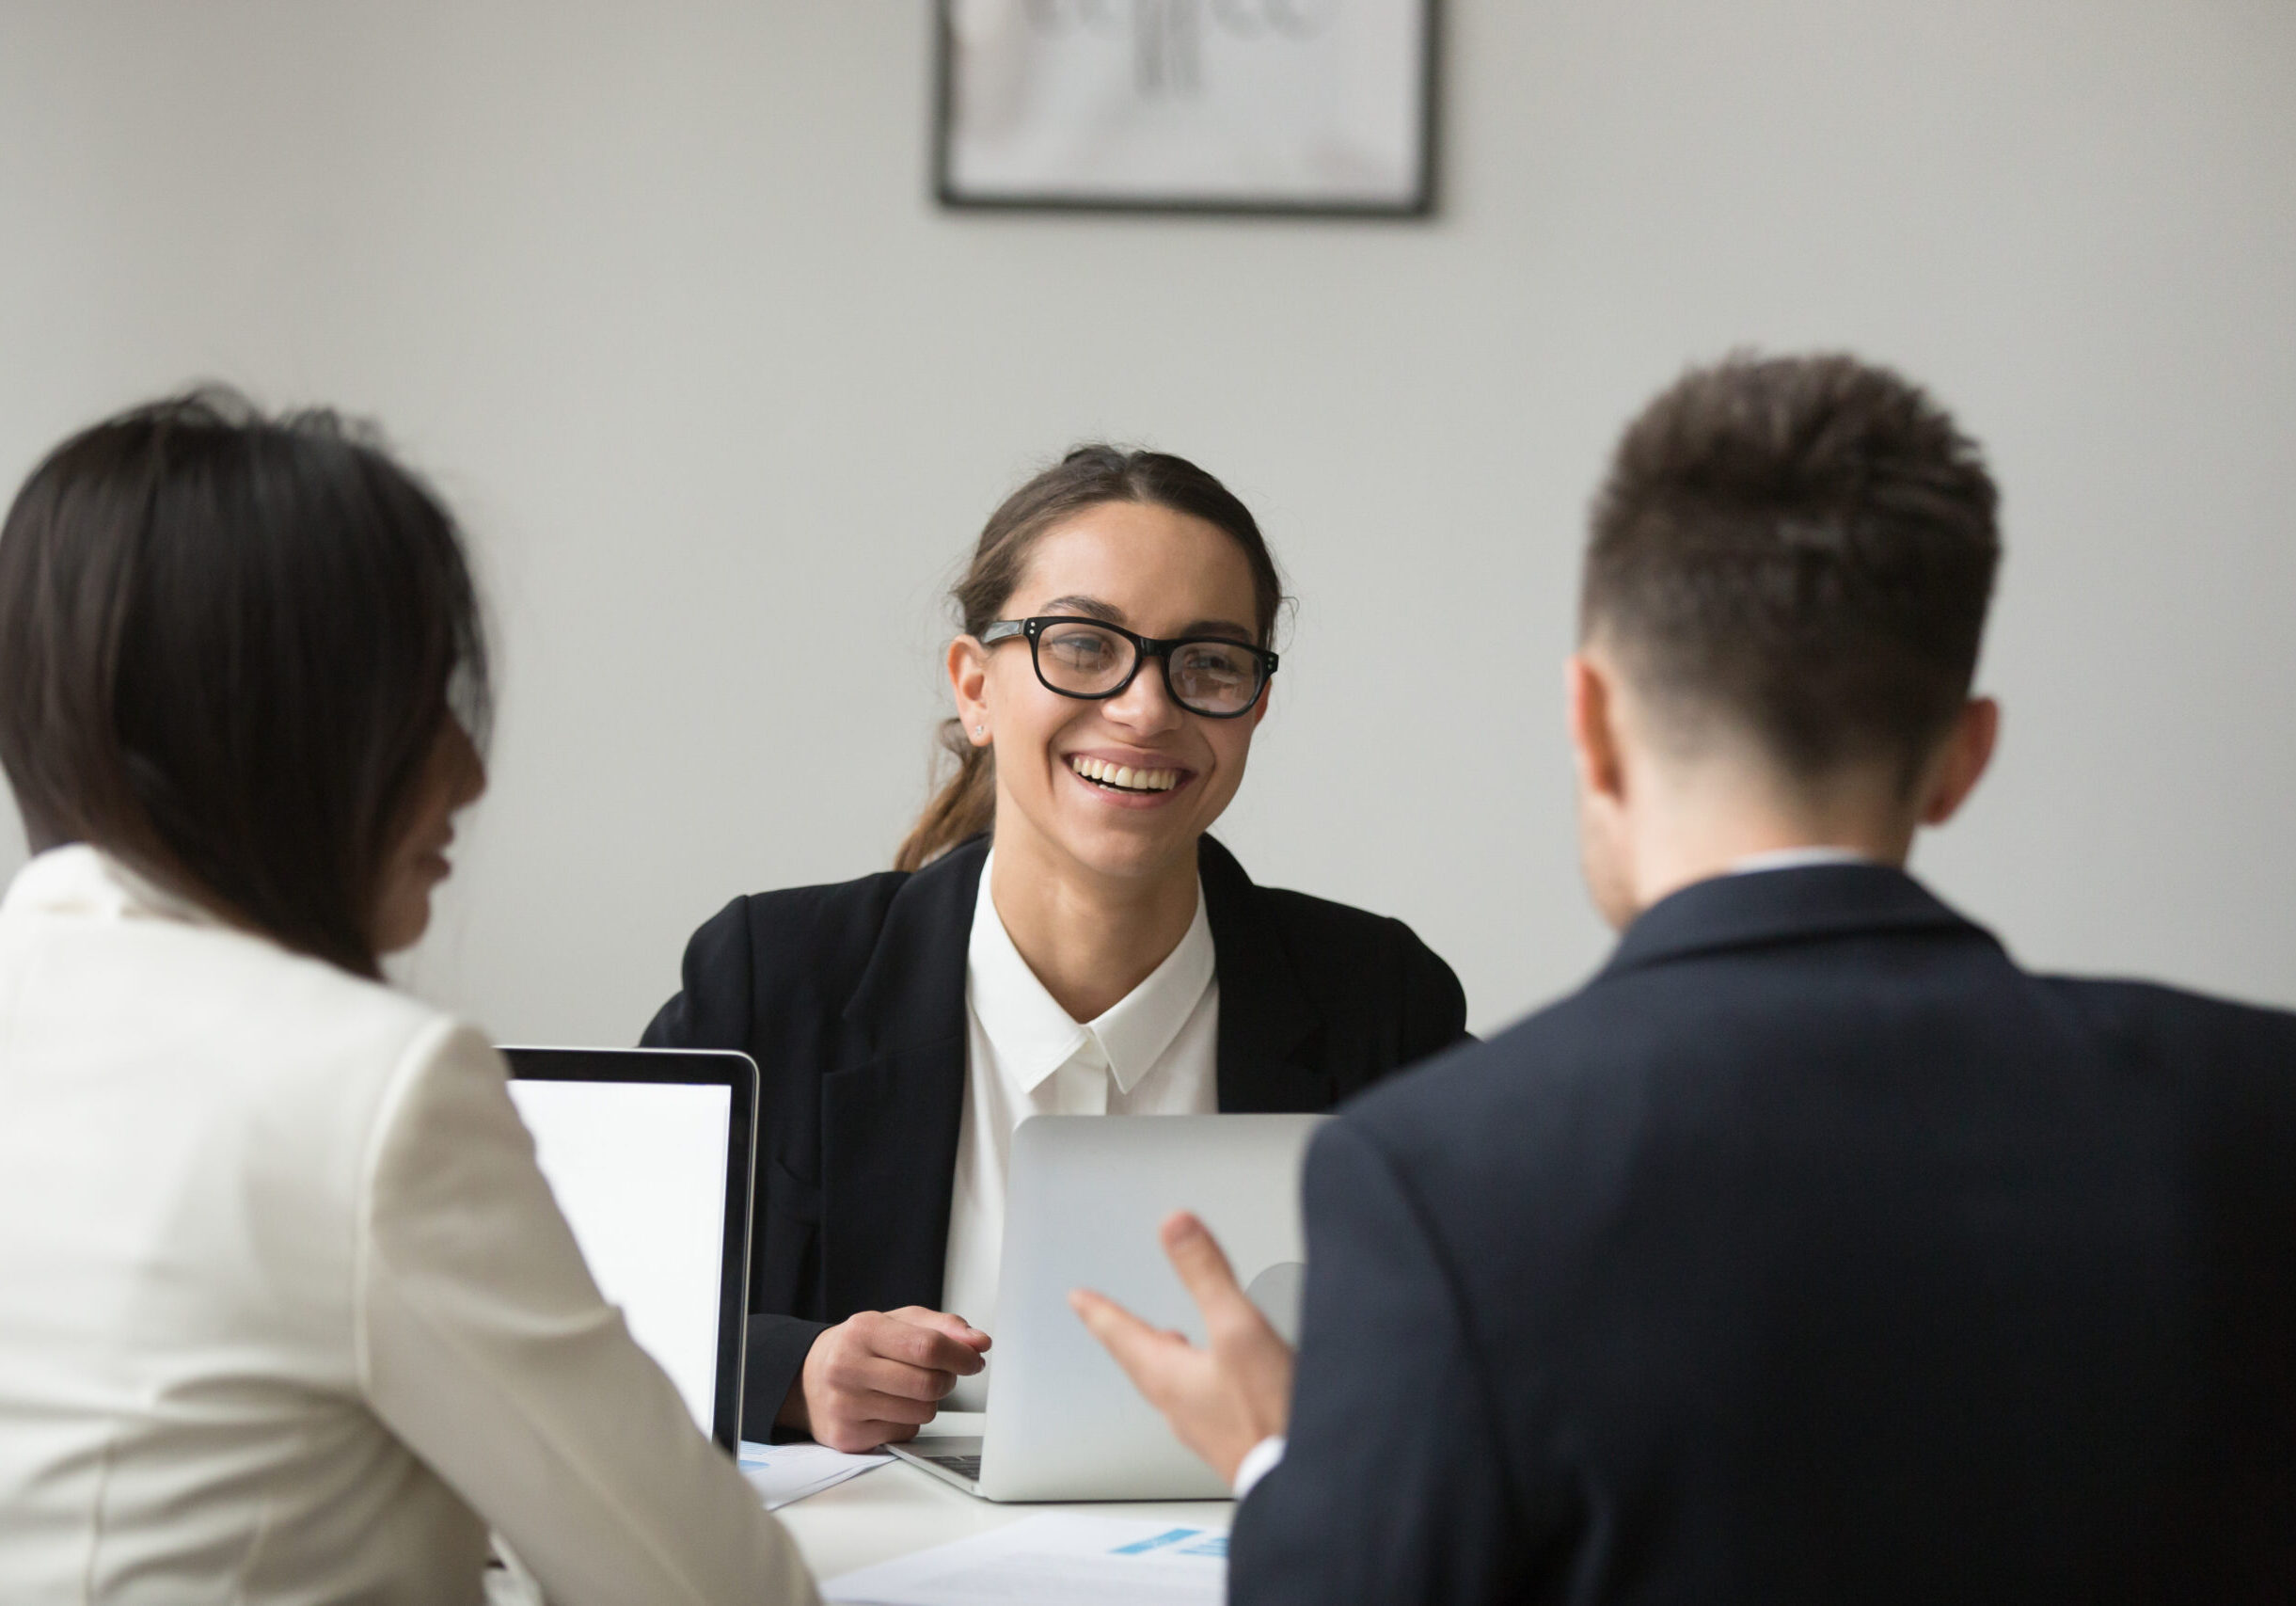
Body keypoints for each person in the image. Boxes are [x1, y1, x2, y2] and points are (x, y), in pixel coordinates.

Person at [1075, 354, 2296, 1602]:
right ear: (1961, 757)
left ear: (1591, 721)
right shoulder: (2256, 1104)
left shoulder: (1440, 1170)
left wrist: (1284, 1464)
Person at [0, 395, 816, 1606]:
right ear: (287, 732)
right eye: (429, 703)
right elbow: (710, 1590)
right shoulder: (366, 1089)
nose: (472, 772)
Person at [643, 445, 1468, 1451]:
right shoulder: (773, 976)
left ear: (1253, 705)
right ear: (974, 688)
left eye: (1208, 663)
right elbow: (602, 1306)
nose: (1144, 708)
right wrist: (788, 1372)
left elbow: (1506, 1338)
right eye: (1081, 645)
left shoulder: (1380, 1002)